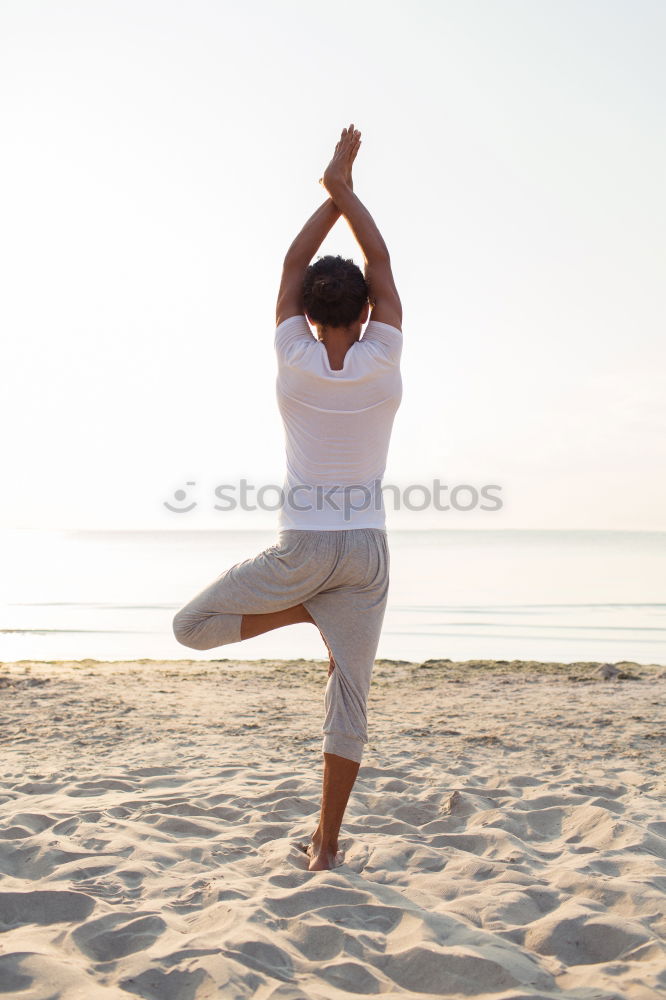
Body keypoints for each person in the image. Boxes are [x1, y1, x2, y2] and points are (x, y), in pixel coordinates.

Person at [173, 123, 403, 870]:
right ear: (366, 313)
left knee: (192, 626)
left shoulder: (292, 355)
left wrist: (329, 192)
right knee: (351, 704)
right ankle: (327, 842)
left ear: (307, 314)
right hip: (365, 554)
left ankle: (308, 610)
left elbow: (294, 260)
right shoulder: (384, 356)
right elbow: (382, 260)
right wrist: (345, 189)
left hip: (303, 549)